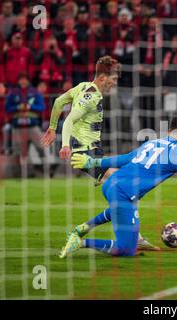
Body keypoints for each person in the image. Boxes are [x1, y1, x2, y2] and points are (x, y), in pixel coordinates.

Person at [58, 117, 177, 258]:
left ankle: (84, 228)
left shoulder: (153, 143)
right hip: (123, 192)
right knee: (126, 249)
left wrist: (93, 162)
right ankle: (81, 242)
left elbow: (124, 158)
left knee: (120, 210)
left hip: (111, 184)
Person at [40, 55, 158, 251]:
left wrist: (52, 127)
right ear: (103, 77)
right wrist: (65, 145)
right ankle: (130, 238)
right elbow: (69, 120)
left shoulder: (82, 86)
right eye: (113, 79)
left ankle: (87, 230)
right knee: (124, 188)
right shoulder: (91, 96)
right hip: (85, 153)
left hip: (92, 152)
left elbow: (59, 102)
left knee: (123, 191)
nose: (115, 83)